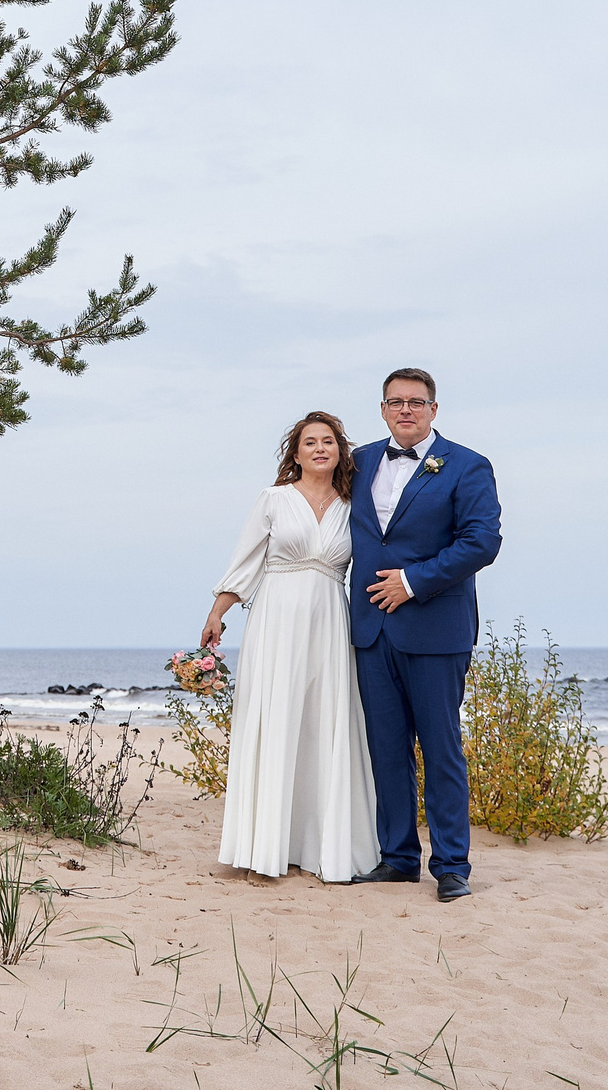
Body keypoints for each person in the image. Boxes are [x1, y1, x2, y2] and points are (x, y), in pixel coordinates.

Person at [199, 411, 381, 884]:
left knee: (324, 726)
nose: (319, 448)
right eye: (309, 442)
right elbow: (245, 562)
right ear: (295, 453)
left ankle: (319, 848)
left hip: (330, 623)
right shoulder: (274, 499)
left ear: (341, 452)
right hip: (276, 619)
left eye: (328, 442)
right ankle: (262, 851)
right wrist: (218, 612)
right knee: (275, 721)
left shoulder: (353, 504)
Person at [347, 368, 502, 902]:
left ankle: (452, 865)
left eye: (416, 402)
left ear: (434, 409)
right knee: (385, 750)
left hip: (436, 628)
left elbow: (482, 541)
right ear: (383, 409)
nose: (405, 410)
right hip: (370, 630)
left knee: (441, 750)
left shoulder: (467, 465)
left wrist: (414, 582)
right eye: (395, 402)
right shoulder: (360, 461)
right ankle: (397, 859)